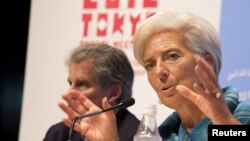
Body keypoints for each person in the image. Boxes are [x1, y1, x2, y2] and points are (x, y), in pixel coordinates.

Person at [59, 10, 250, 141]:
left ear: (207, 63)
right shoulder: (163, 134)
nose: (159, 71)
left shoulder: (243, 116)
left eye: (172, 56)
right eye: (150, 64)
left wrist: (225, 125)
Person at [43, 43, 140, 141]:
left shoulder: (139, 136)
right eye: (70, 83)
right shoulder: (57, 134)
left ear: (113, 93)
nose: (69, 93)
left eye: (82, 85)